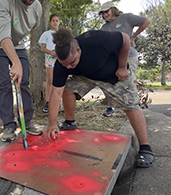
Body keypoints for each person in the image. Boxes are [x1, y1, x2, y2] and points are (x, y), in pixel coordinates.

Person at [43, 28, 155, 168]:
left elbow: (125, 39)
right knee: (68, 88)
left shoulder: (96, 39)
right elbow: (55, 93)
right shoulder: (62, 65)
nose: (68, 67)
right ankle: (70, 123)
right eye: (64, 64)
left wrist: (122, 67)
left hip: (114, 74)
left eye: (71, 63)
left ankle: (145, 147)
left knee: (131, 106)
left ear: (78, 50)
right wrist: (52, 123)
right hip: (87, 76)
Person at [0, 0, 47, 142]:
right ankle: (9, 126)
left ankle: (26, 122)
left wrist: (19, 60)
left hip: (19, 46)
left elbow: (26, 33)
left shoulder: (37, 8)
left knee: (24, 84)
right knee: (3, 86)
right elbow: (4, 35)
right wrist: (15, 63)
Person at [98, 1, 150, 117]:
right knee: (109, 81)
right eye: (103, 13)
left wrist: (133, 37)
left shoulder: (126, 18)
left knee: (130, 81)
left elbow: (146, 21)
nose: (105, 15)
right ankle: (111, 107)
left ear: (113, 9)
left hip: (129, 56)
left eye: (106, 11)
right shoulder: (105, 27)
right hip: (114, 59)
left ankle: (133, 108)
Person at [38, 13, 60, 113]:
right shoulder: (46, 34)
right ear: (50, 22)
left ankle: (57, 102)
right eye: (53, 20)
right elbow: (42, 48)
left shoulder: (62, 34)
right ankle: (47, 101)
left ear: (59, 22)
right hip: (50, 58)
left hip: (60, 59)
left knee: (59, 80)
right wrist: (51, 52)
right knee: (50, 80)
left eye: (57, 20)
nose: (55, 22)